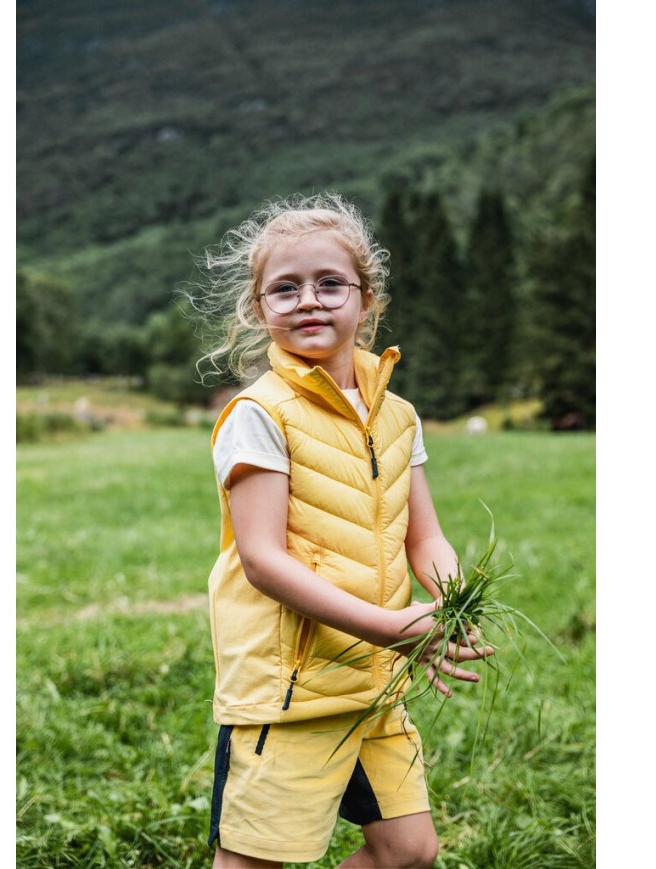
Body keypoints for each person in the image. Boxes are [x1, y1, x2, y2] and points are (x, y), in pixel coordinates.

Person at [191, 193, 493, 868]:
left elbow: (425, 537)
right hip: (289, 690)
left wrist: (451, 606)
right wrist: (389, 627)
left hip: (374, 682)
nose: (308, 300)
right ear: (258, 308)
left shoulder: (398, 415)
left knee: (408, 850)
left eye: (330, 283)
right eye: (285, 288)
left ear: (367, 299)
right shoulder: (259, 413)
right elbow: (262, 559)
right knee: (253, 861)